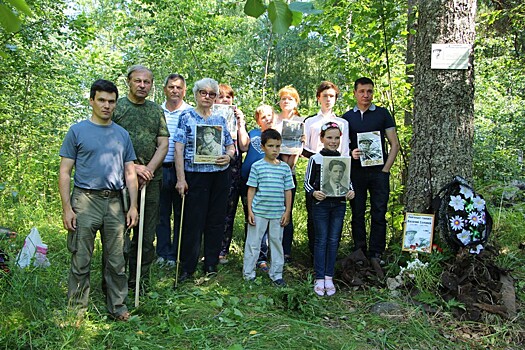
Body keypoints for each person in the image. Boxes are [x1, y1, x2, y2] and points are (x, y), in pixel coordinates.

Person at [59, 79, 139, 321]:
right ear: (92, 100)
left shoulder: (122, 134)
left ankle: (117, 306)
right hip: (84, 200)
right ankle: (77, 310)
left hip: (115, 202)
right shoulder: (77, 131)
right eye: (101, 100)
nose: (106, 106)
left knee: (117, 259)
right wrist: (66, 208)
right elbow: (65, 172)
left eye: (111, 101)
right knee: (81, 258)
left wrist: (133, 206)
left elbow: (130, 172)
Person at [112, 65, 169, 291]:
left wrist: (148, 170)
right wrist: (134, 167)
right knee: (118, 237)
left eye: (147, 82)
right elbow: (107, 143)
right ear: (129, 82)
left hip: (151, 183)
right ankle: (115, 283)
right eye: (138, 81)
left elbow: (163, 143)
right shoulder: (117, 108)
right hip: (119, 181)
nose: (142, 85)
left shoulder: (156, 111)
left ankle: (139, 283)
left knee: (145, 236)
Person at [173, 78, 235, 286]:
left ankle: (210, 264)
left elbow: (230, 146)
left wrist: (228, 156)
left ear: (216, 97)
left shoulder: (220, 119)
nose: (207, 97)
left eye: (211, 94)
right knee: (193, 221)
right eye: (203, 93)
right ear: (196, 94)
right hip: (195, 175)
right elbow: (179, 148)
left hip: (219, 176)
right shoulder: (186, 116)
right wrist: (181, 179)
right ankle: (187, 267)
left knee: (216, 220)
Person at [342, 77, 400, 269]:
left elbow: (395, 144)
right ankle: (359, 251)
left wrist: (385, 170)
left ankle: (376, 253)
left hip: (378, 173)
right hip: (356, 173)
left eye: (369, 91)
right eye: (362, 91)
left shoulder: (382, 114)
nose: (366, 95)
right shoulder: (347, 117)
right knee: (357, 213)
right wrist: (351, 153)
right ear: (355, 93)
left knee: (379, 213)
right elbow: (342, 146)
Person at [304, 122, 354, 296]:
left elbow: (348, 182)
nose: (333, 141)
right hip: (321, 205)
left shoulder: (343, 159)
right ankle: (319, 277)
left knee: (334, 240)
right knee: (321, 240)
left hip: (339, 205)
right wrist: (314, 193)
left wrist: (351, 192)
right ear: (322, 138)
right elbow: (307, 183)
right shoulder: (315, 159)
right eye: (330, 137)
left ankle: (329, 276)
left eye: (337, 138)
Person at [303, 82, 350, 255]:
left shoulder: (342, 123)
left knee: (335, 214)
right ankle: (314, 255)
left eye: (331, 96)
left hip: (338, 170)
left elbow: (344, 150)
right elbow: (305, 149)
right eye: (325, 96)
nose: (328, 99)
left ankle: (331, 256)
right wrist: (318, 158)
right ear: (318, 98)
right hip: (316, 170)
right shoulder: (310, 122)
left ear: (336, 99)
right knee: (314, 215)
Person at [243, 129, 294, 286]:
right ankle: (248, 273)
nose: (275, 150)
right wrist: (250, 210)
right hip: (259, 212)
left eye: (277, 146)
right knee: (253, 243)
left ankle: (277, 274)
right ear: (263, 147)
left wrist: (287, 211)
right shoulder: (257, 166)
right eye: (271, 146)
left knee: (276, 243)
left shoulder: (285, 168)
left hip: (278, 213)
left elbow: (288, 191)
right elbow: (251, 189)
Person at [156, 74, 192, 268]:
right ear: (165, 89)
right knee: (161, 213)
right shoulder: (157, 111)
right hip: (160, 169)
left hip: (182, 171)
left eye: (179, 87)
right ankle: (162, 252)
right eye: (171, 87)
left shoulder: (190, 113)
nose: (175, 91)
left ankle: (176, 253)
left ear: (184, 91)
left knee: (181, 213)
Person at [238, 104, 274, 272]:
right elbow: (244, 146)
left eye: (270, 115)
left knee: (264, 220)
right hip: (247, 181)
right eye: (263, 116)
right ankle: (250, 254)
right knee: (251, 217)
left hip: (267, 184)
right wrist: (241, 123)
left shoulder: (277, 136)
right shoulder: (253, 133)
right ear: (258, 120)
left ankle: (262, 257)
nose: (267, 118)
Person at [216, 84, 249, 264]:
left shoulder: (236, 119)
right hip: (214, 167)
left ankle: (223, 250)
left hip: (233, 169)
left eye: (228, 97)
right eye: (221, 97)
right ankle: (209, 247)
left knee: (229, 210)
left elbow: (244, 146)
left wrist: (241, 123)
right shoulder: (210, 116)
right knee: (214, 210)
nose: (225, 100)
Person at [272, 86, 303, 264]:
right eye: (283, 98)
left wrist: (289, 165)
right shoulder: (274, 120)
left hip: (289, 170)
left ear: (295, 102)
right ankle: (268, 248)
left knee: (286, 211)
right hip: (271, 170)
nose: (286, 101)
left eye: (290, 99)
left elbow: (297, 148)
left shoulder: (300, 121)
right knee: (271, 209)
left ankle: (286, 250)